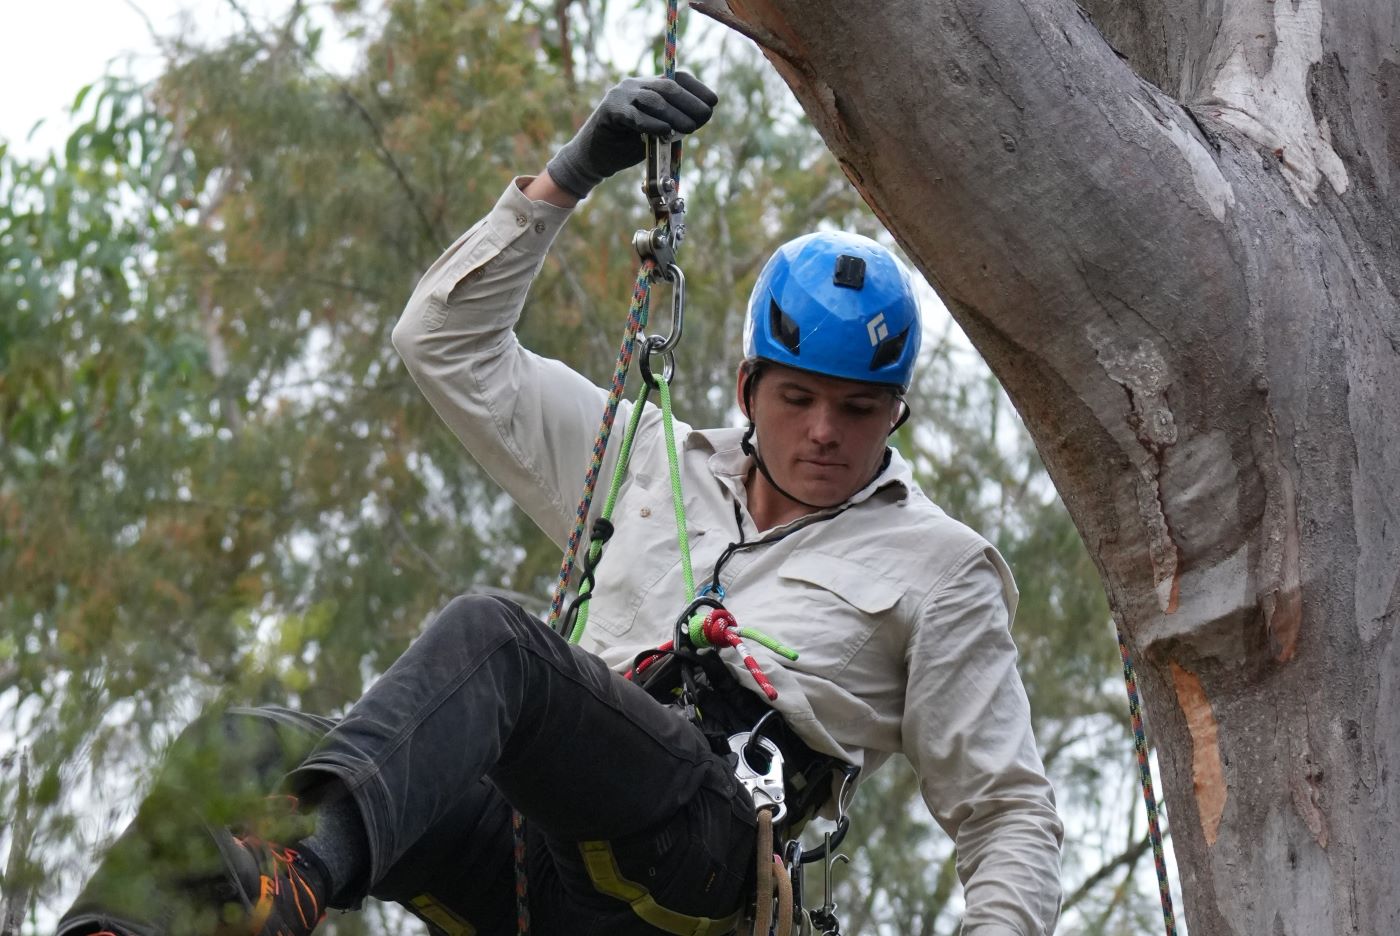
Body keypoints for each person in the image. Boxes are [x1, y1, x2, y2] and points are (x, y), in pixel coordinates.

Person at [58, 74, 1063, 936]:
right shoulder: (642, 462)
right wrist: (571, 173)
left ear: (896, 412)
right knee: (245, 744)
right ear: (748, 383)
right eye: (796, 398)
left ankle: (298, 879)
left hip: (699, 859)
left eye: (857, 411)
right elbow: (440, 345)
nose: (821, 435)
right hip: (541, 848)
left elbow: (1004, 810)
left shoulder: (939, 564)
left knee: (498, 644)